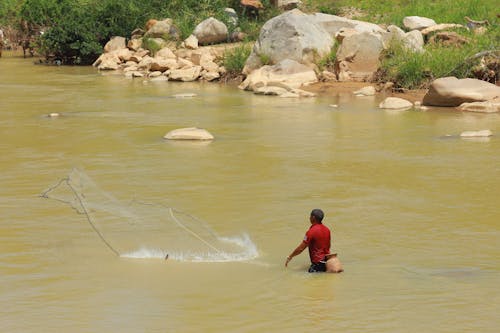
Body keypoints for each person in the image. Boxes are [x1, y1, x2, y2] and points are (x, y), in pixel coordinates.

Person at [285, 209, 343, 273]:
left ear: (313, 217)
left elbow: (301, 248)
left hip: (318, 264)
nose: (309, 218)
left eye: (310, 216)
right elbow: (328, 246)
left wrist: (290, 256)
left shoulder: (311, 232)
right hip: (327, 262)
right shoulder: (327, 230)